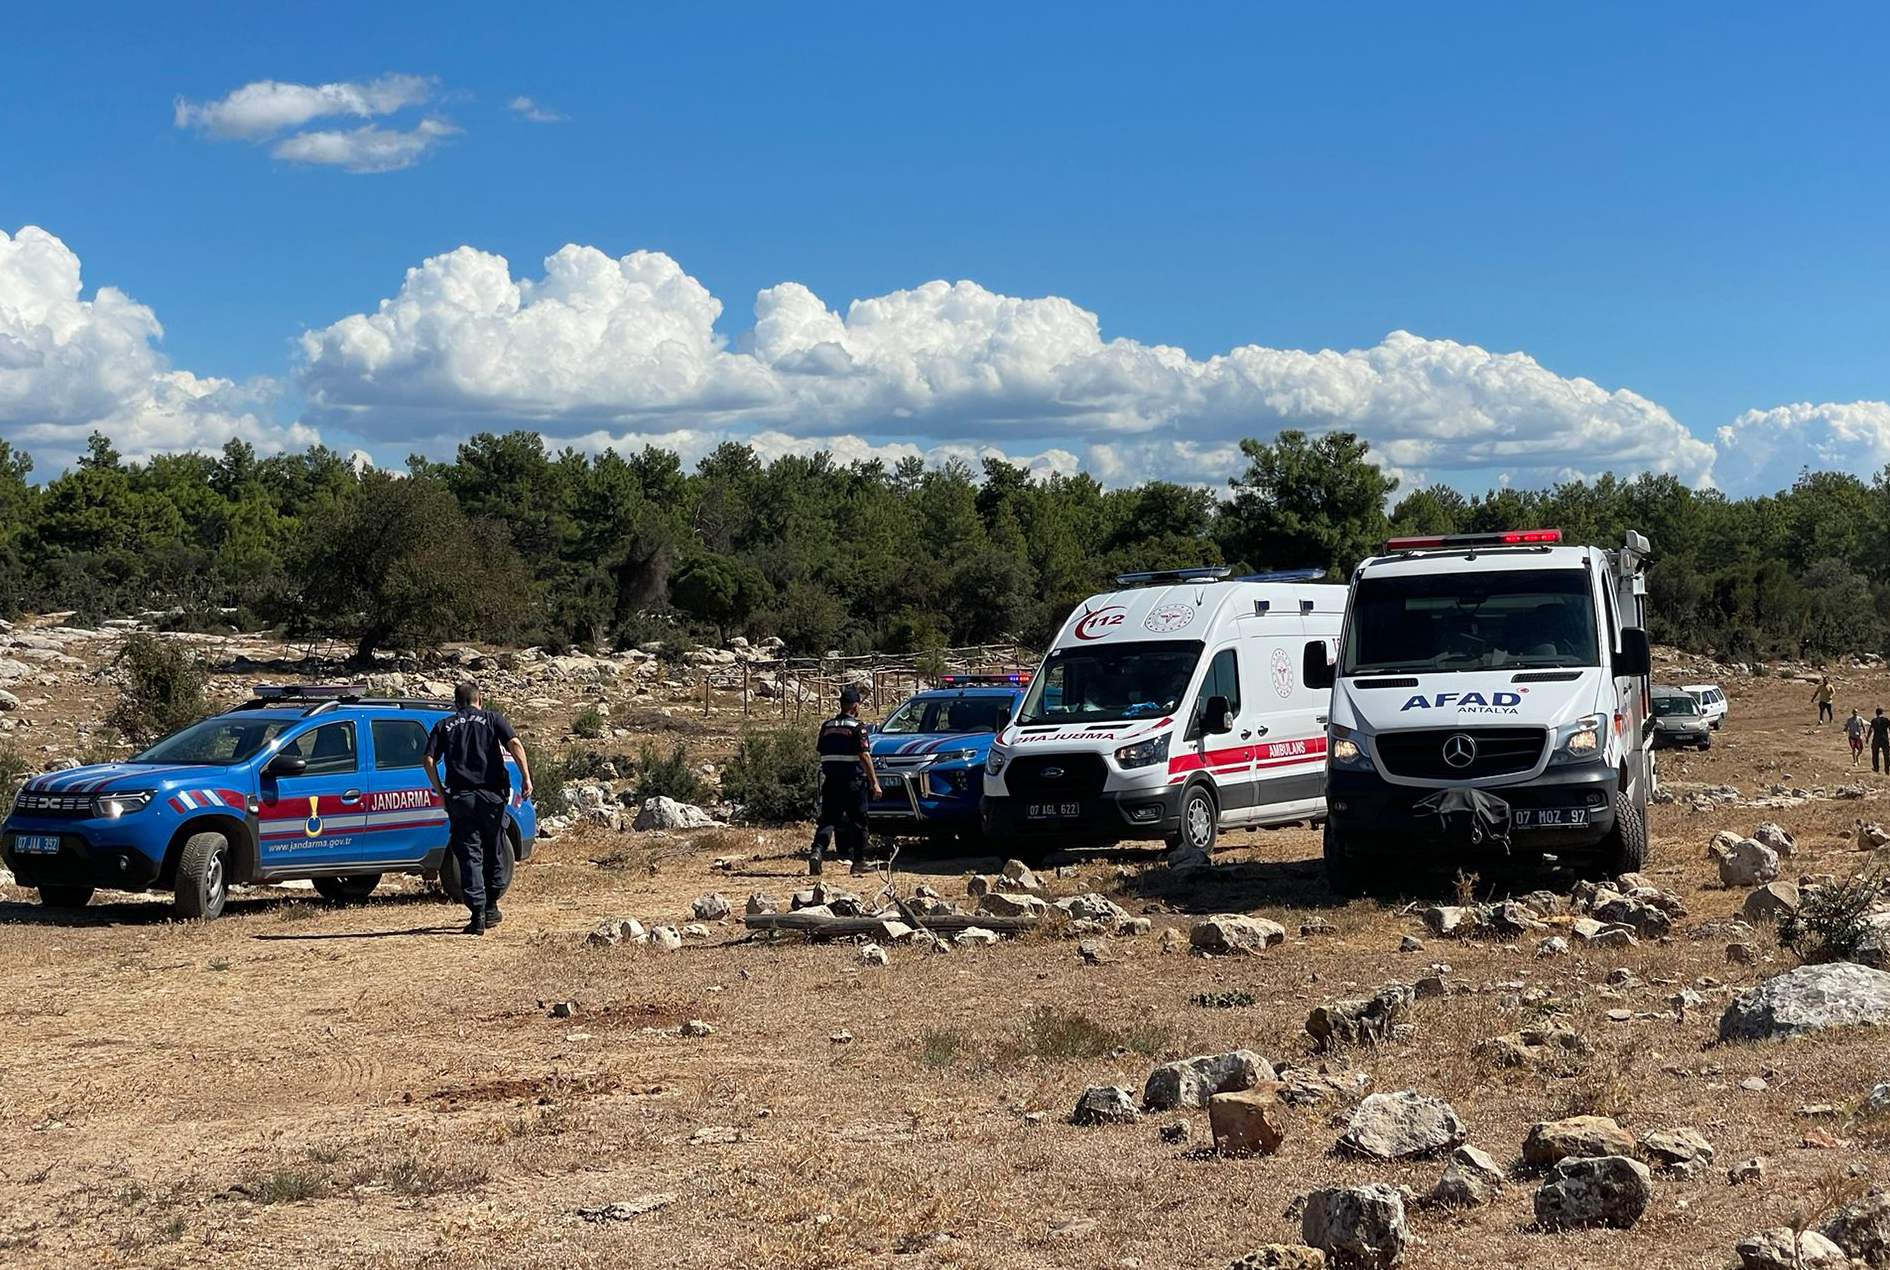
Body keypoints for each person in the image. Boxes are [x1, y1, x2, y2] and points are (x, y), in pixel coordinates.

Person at [425, 682, 534, 935]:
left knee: (469, 854)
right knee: (494, 846)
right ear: (480, 699)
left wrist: (440, 792)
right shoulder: (492, 719)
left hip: (461, 798)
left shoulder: (444, 725)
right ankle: (492, 905)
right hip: (492, 797)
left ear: (456, 703)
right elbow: (515, 744)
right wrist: (526, 777)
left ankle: (477, 915)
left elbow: (428, 759)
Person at [809, 686, 880, 876]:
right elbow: (864, 755)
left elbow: (821, 750)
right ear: (855, 706)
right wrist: (874, 782)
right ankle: (859, 861)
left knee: (827, 820)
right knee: (858, 821)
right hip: (853, 782)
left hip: (831, 781)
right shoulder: (857, 727)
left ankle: (817, 851)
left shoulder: (827, 727)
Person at [1872, 706, 1890, 776]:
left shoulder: (1874, 721)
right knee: (1886, 755)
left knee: (1875, 754)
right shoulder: (1886, 720)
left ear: (1876, 713)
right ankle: (1887, 769)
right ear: (1882, 712)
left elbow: (1871, 730)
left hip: (1876, 739)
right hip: (1884, 739)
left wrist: (1867, 738)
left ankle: (1876, 768)